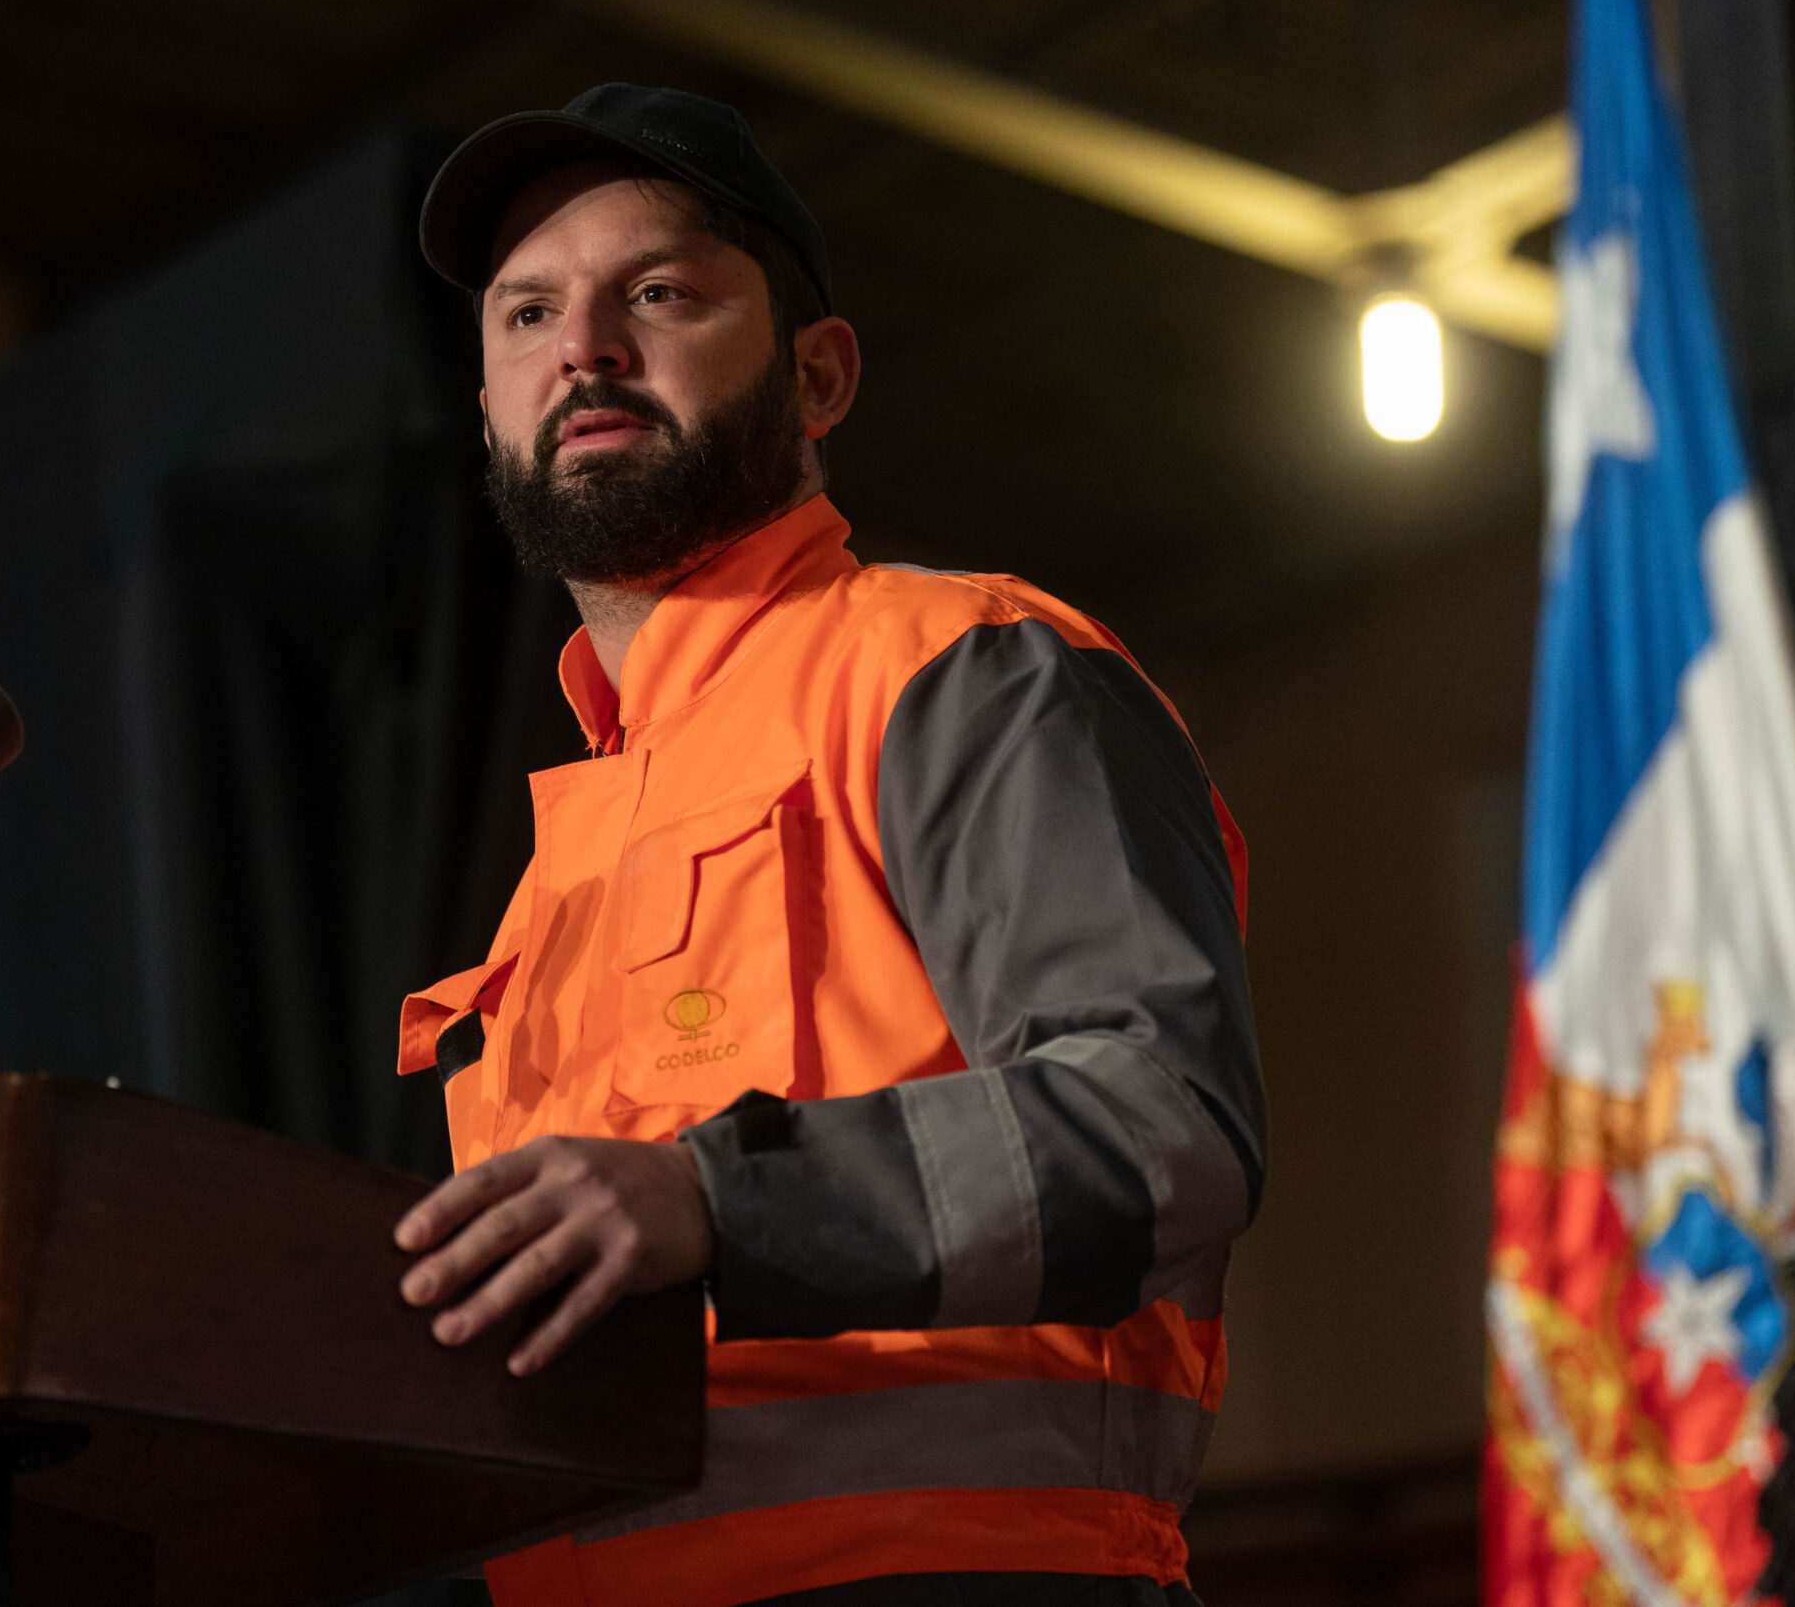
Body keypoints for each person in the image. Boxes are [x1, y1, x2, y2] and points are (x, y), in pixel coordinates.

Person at [393, 84, 1265, 1607]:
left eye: (657, 293)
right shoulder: (559, 875)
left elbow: (1164, 1128)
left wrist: (718, 1205)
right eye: (527, 316)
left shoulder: (958, 667)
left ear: (819, 377)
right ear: (487, 410)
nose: (584, 347)